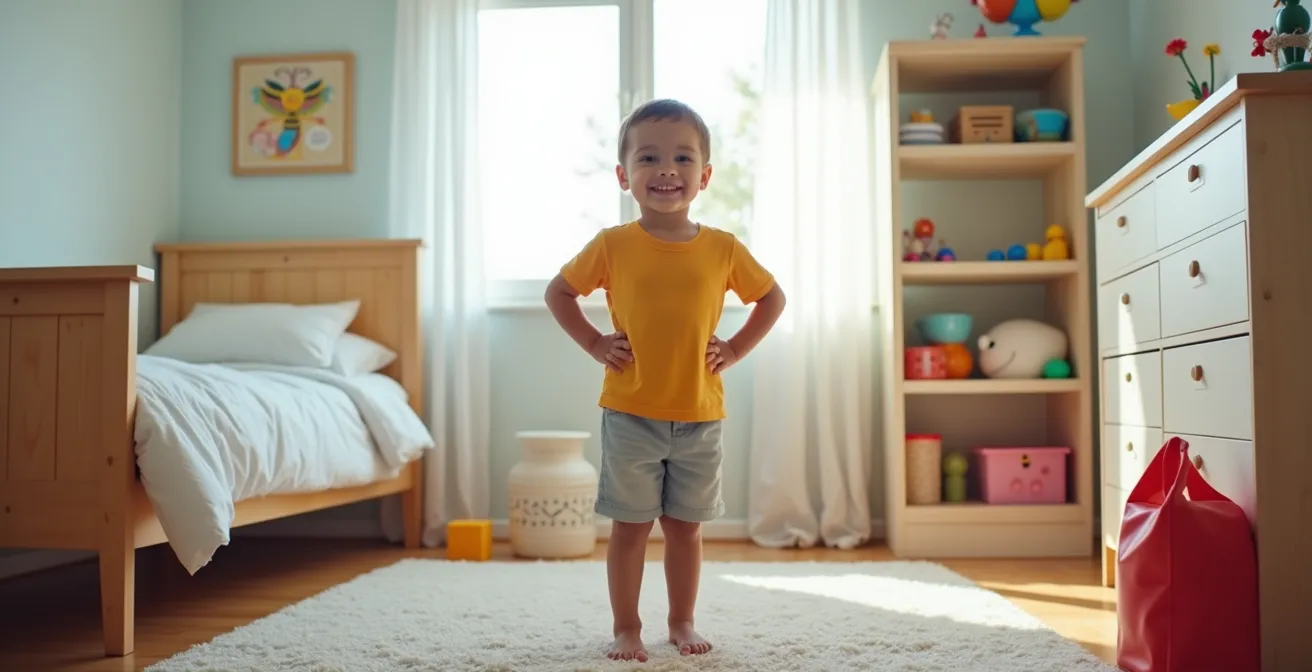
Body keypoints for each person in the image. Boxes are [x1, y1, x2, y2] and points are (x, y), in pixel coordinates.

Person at [544, 98, 786, 662]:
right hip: (631, 414)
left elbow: (771, 298)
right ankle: (626, 626)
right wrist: (595, 343)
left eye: (682, 158)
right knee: (629, 529)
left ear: (703, 175)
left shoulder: (723, 247)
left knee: (685, 529)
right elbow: (559, 292)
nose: (666, 170)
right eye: (649, 157)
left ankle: (681, 621)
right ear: (625, 175)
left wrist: (736, 348)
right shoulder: (613, 243)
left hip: (700, 417)